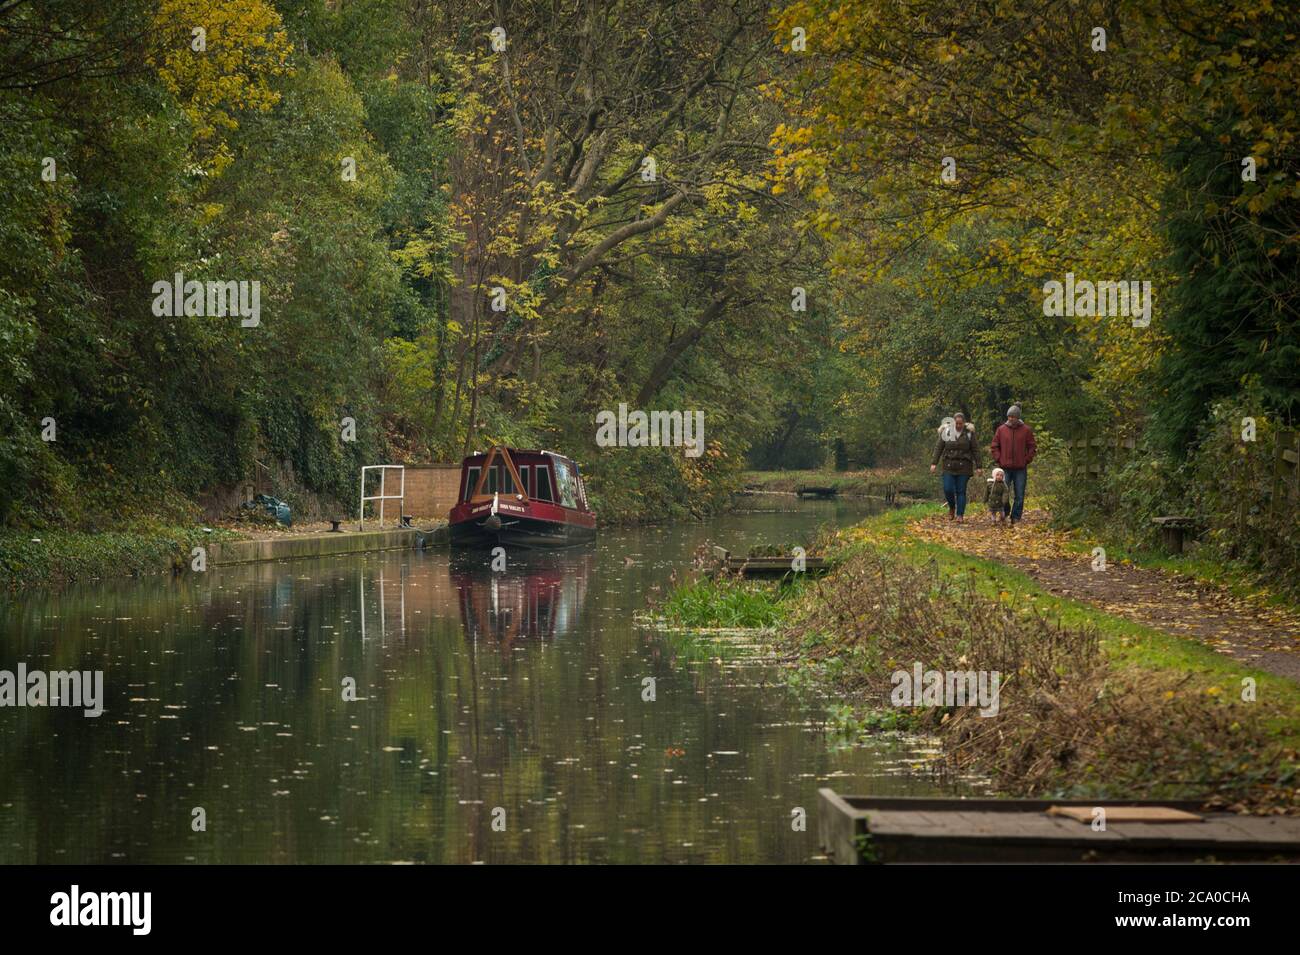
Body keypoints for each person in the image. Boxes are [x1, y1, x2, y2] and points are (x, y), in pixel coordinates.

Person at [930, 412, 982, 523]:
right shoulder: (946, 432)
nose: (958, 425)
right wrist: (934, 463)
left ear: (964, 423)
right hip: (948, 465)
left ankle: (960, 515)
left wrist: (979, 466)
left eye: (960, 423)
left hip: (964, 466)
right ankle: (952, 507)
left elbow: (975, 450)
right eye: (956, 423)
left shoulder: (969, 434)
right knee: (948, 489)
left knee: (961, 491)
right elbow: (938, 448)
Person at [989, 404, 1036, 525]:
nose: (1010, 418)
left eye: (1013, 417)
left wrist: (1027, 459)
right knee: (1003, 491)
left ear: (1018, 417)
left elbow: (1032, 447)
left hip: (1021, 468)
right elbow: (994, 446)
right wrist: (999, 459)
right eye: (1009, 416)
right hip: (1005, 468)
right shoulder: (1001, 430)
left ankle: (1016, 516)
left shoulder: (1026, 430)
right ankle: (1005, 512)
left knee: (1019, 493)